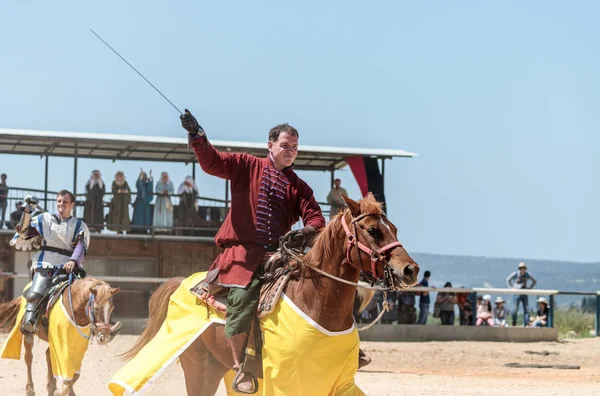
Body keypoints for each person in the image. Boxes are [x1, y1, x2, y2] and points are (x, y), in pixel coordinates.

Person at [181, 109, 325, 392]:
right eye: (285, 145)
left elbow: (316, 218)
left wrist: (308, 230)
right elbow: (213, 163)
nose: (290, 151)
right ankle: (242, 367)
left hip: (280, 256)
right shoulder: (246, 165)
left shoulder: (299, 187)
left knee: (320, 286)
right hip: (242, 254)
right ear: (269, 145)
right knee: (244, 298)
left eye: (295, 147)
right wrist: (198, 137)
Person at [11, 191, 90, 335]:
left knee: (85, 295)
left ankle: (96, 326)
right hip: (46, 264)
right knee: (36, 293)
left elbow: (81, 246)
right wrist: (27, 211)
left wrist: (73, 260)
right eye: (59, 201)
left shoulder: (79, 225)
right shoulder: (44, 219)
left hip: (69, 267)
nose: (61, 204)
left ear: (72, 205)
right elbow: (24, 232)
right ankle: (30, 322)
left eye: (65, 202)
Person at [506, 262, 537, 326]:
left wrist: (529, 289)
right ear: (519, 269)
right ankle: (514, 322)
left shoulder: (527, 275)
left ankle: (526, 323)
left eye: (523, 268)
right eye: (521, 268)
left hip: (524, 293)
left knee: (526, 309)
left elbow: (534, 281)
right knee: (515, 309)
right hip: (517, 293)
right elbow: (508, 279)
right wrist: (511, 288)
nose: (522, 270)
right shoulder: (515, 274)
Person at [131, 169, 154, 234]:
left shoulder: (147, 184)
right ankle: (137, 229)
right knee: (138, 217)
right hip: (139, 203)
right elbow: (139, 185)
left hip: (145, 203)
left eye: (144, 176)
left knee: (145, 218)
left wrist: (150, 176)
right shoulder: (140, 183)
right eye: (142, 176)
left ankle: (144, 230)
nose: (144, 177)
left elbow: (150, 188)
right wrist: (141, 175)